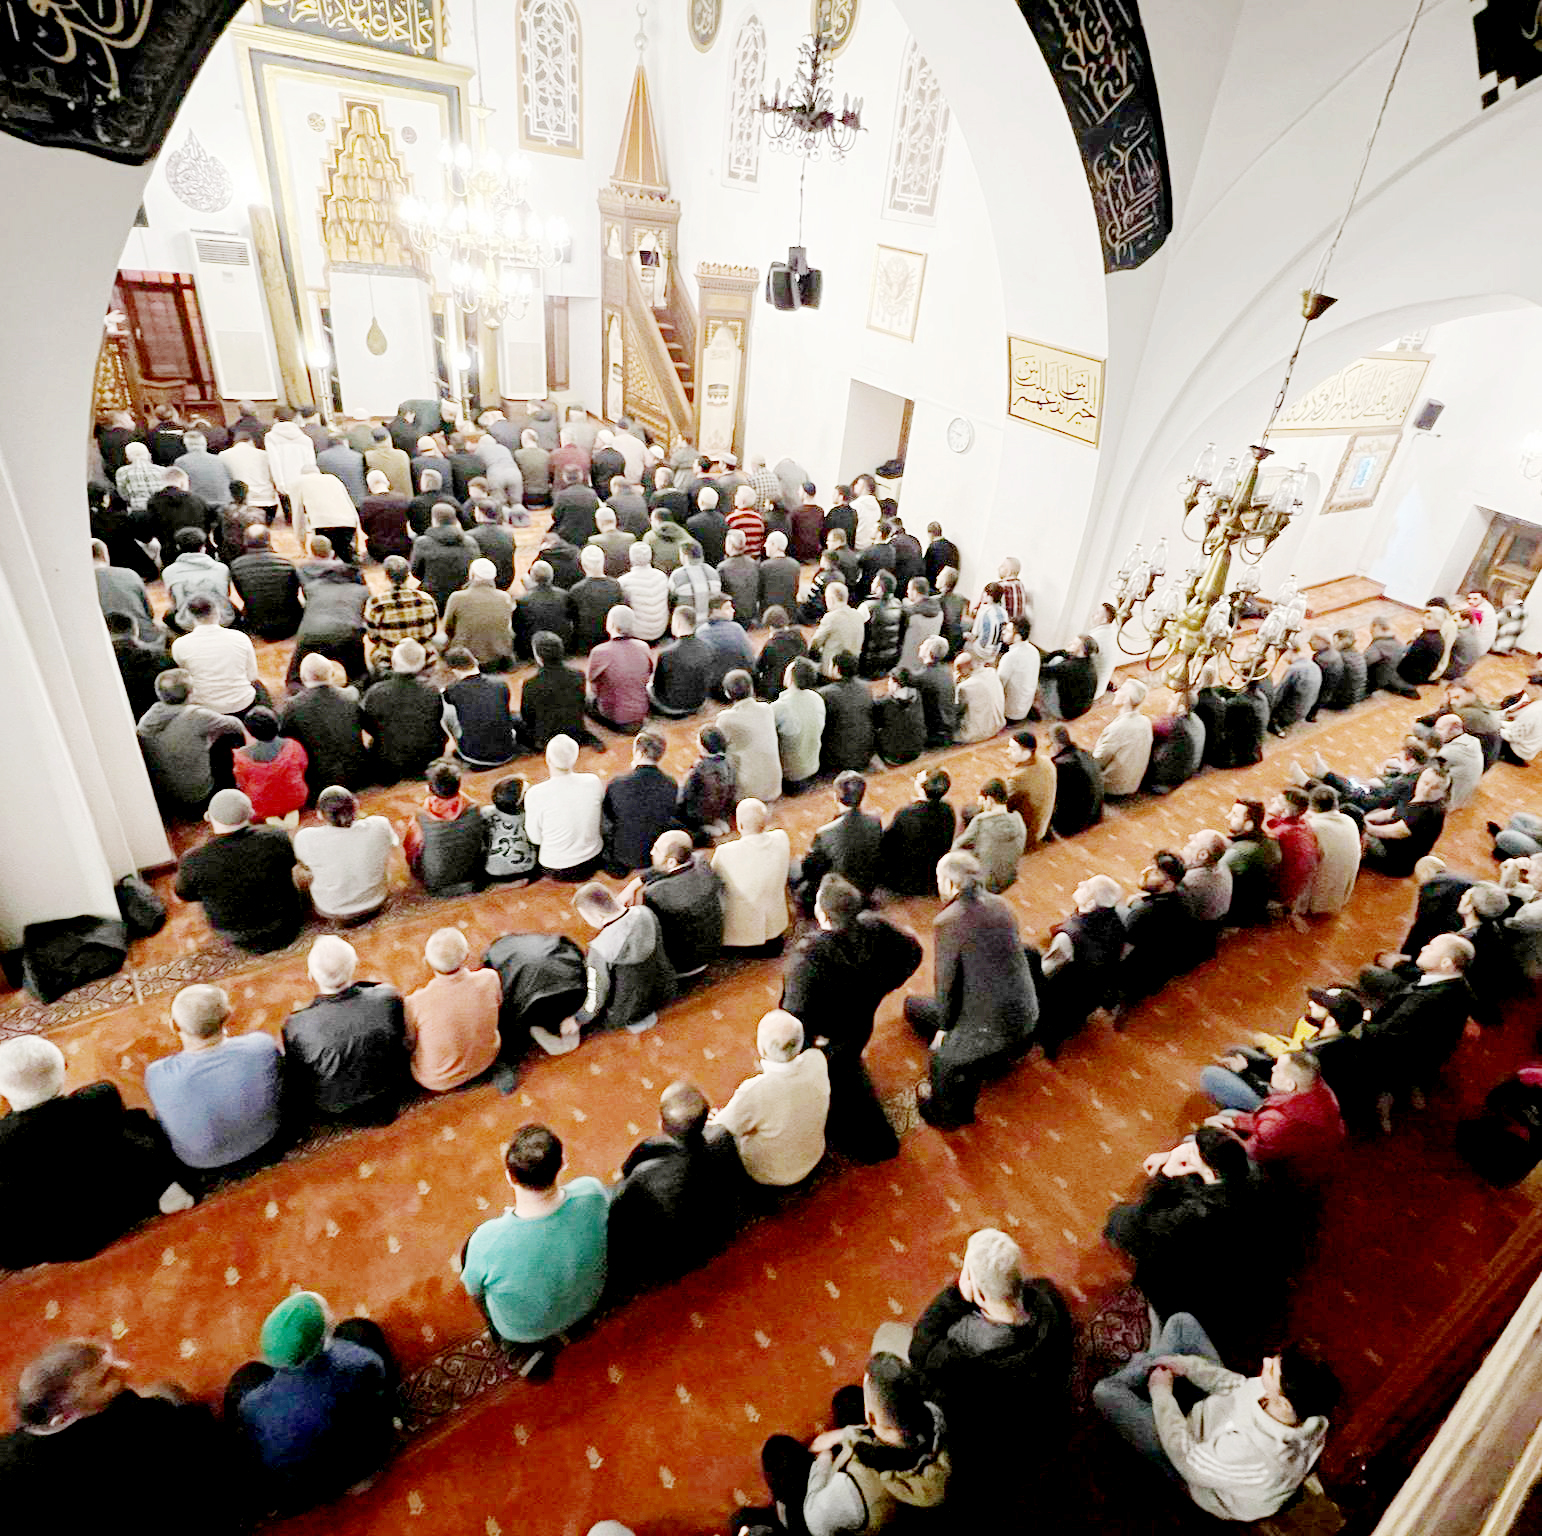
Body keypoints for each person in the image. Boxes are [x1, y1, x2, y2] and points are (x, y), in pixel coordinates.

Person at [1092, 1316, 1338, 1522]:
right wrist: (1186, 1366)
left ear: (1283, 1403)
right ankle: (1148, 1365)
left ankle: (1142, 1370)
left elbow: (1186, 1458)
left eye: (1272, 1368)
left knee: (1104, 1392)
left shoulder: (1256, 1454)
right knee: (1181, 1323)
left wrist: (1161, 1392)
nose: (1266, 1361)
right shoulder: (1303, 1411)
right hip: (1213, 1421)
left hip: (1195, 1469)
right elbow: (1238, 1386)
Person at [0, 1339, 241, 1531]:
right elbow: (199, 1430)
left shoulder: (9, 1454)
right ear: (67, 1412)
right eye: (106, 1378)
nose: (124, 1371)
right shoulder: (139, 1419)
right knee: (170, 1392)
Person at [907, 1230, 1072, 1508]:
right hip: (1041, 1411)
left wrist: (955, 1296)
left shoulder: (962, 1355)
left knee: (889, 1338)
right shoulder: (1049, 1299)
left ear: (979, 1293)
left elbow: (918, 1350)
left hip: (992, 1436)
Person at [0, 1036, 188, 1267]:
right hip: (120, 1205)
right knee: (138, 1123)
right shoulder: (100, 1097)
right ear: (65, 1069)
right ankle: (165, 1189)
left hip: (62, 1238)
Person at [781, 873, 921, 1163]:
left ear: (822, 913)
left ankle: (872, 1143)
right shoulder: (876, 927)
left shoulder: (807, 960)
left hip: (826, 1037)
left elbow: (794, 1017)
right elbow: (914, 952)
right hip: (860, 1019)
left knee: (845, 1087)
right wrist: (883, 986)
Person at [224, 1291, 398, 1515]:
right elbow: (377, 1379)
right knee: (360, 1330)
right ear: (322, 1343)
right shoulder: (358, 1363)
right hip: (365, 1460)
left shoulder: (252, 1406)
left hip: (308, 1488)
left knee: (245, 1377)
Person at [747, 1353, 949, 1536]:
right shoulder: (941, 1415)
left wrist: (823, 1460)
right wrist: (847, 1434)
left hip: (855, 1499)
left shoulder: (850, 1490)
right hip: (917, 1502)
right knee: (846, 1400)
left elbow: (816, 1521)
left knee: (778, 1450)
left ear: (870, 1417)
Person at [460, 1124, 608, 1372]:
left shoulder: (486, 1241)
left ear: (509, 1176)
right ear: (563, 1163)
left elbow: (474, 1290)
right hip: (589, 1301)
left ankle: (514, 1349)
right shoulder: (591, 1191)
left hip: (523, 1329)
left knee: (470, 1260)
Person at [906, 851, 1037, 1128]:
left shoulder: (949, 920)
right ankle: (995, 1061)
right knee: (914, 1008)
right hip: (1023, 1010)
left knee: (942, 1062)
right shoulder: (1001, 904)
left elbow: (947, 984)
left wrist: (944, 1029)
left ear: (950, 884)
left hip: (989, 1025)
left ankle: (948, 1115)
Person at [607, 1081, 744, 1296]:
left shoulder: (644, 1174)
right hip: (719, 1236)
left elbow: (620, 1209)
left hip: (669, 1262)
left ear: (662, 1123)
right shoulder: (724, 1138)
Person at [145, 982, 285, 1179]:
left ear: (174, 1025)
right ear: (227, 1014)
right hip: (269, 1138)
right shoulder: (260, 1045)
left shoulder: (158, 1074)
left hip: (199, 1163)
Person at [532, 884, 677, 1054]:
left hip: (627, 1011)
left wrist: (578, 1019)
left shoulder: (600, 949)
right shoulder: (645, 912)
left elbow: (596, 997)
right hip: (666, 988)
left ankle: (565, 1043)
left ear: (598, 915)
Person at [282, 936, 407, 1125]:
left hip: (334, 1106)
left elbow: (297, 1072)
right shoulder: (387, 997)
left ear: (311, 976)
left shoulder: (297, 1025)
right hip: (392, 1090)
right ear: (355, 965)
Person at [174, 788, 303, 950]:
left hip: (237, 935)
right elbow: (290, 863)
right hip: (287, 923)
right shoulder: (276, 836)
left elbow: (185, 894)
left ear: (208, 818)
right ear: (251, 813)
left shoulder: (192, 860)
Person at [712, 1011, 830, 1188]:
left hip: (772, 1175)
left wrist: (716, 1119)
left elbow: (722, 1130)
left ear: (762, 1048)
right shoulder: (817, 1059)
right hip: (815, 1154)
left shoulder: (754, 1089)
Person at [1199, 1049, 1346, 1174]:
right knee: (1229, 1116)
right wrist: (1235, 1122)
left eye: (1278, 1068)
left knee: (1220, 1118)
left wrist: (1223, 1134)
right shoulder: (1317, 1087)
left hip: (1288, 1171)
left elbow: (1252, 1153)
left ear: (1290, 1085)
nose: (1273, 1069)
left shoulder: (1279, 1122)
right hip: (1312, 1153)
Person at [1034, 874, 1126, 1056]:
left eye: (1087, 887)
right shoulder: (1116, 922)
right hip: (1093, 995)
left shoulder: (1068, 937)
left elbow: (1047, 971)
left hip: (1065, 997)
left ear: (1091, 904)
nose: (1080, 883)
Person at [404, 926, 503, 1092]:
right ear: (467, 956)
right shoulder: (489, 978)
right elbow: (498, 1005)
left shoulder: (414, 1003)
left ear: (426, 962)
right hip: (487, 1059)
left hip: (438, 1080)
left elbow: (410, 1042)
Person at [136, 668, 245, 816]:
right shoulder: (196, 716)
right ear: (191, 693)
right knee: (229, 737)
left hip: (165, 800)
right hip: (198, 799)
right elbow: (236, 725)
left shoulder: (145, 721)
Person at [293, 786, 398, 921]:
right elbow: (393, 845)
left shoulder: (305, 838)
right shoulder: (380, 825)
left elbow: (304, 867)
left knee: (297, 872)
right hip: (376, 901)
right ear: (356, 806)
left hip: (330, 910)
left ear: (319, 814)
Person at [629, 831, 724, 978]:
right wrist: (636, 883)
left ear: (672, 862)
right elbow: (665, 868)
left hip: (680, 965)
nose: (652, 851)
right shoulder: (702, 862)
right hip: (712, 950)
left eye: (657, 850)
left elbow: (651, 930)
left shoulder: (655, 893)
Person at [281, 652, 369, 796]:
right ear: (331, 674)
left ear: (303, 678)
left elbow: (285, 744)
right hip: (360, 777)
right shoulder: (351, 695)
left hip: (318, 784)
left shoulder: (292, 707)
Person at [711, 799, 792, 952]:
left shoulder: (725, 852)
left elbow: (713, 882)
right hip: (775, 931)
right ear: (766, 821)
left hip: (741, 938)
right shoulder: (781, 837)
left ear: (739, 825)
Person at [360, 638, 444, 783]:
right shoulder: (433, 691)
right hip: (427, 759)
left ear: (393, 662)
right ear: (422, 664)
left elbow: (367, 725)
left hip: (388, 762)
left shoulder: (376, 692)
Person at [793, 771, 882, 906]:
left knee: (794, 870)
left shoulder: (826, 832)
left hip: (839, 894)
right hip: (867, 887)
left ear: (836, 796)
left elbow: (810, 868)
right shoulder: (875, 821)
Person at [400, 759, 485, 896]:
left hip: (435, 881)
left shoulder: (422, 816)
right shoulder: (474, 808)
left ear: (429, 789)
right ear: (458, 785)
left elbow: (411, 849)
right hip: (472, 873)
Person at [525, 734, 604, 879]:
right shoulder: (592, 781)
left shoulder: (535, 794)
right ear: (576, 757)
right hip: (593, 859)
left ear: (548, 759)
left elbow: (535, 839)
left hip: (556, 868)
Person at [601, 731, 678, 874]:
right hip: (655, 855)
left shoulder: (618, 783)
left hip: (622, 854)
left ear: (639, 753)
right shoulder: (671, 784)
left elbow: (608, 816)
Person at [1363, 762, 1450, 876]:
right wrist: (1366, 818)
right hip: (1390, 843)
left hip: (1395, 861)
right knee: (1375, 813)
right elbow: (1394, 811)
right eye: (1426, 783)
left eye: (1435, 788)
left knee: (1356, 839)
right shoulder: (1418, 796)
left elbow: (1395, 832)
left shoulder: (1429, 812)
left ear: (1442, 793)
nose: (1427, 789)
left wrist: (1364, 826)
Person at [878, 769, 956, 895]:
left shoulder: (906, 814)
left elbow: (887, 843)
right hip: (932, 875)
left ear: (922, 787)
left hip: (907, 879)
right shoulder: (948, 811)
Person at [441, 646, 518, 769]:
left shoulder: (452, 690)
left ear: (454, 671)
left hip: (476, 758)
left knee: (445, 709)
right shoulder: (500, 683)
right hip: (509, 752)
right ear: (475, 661)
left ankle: (461, 746)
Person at [232, 706, 308, 827]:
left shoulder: (241, 757)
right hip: (297, 798)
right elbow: (303, 767)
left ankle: (271, 816)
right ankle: (290, 810)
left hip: (260, 806)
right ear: (277, 724)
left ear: (250, 732)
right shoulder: (293, 746)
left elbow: (242, 784)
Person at [719, 668, 783, 803]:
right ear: (752, 688)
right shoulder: (767, 709)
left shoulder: (726, 719)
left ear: (727, 693)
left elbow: (717, 747)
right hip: (774, 787)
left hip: (747, 795)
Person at [952, 778, 1027, 893]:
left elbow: (957, 846)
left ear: (990, 800)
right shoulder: (1019, 820)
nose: (980, 804)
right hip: (1008, 878)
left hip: (984, 883)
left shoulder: (981, 821)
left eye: (982, 801)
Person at [443, 557, 514, 670]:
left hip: (465, 659)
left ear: (472, 575)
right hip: (496, 659)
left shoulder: (457, 597)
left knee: (439, 640)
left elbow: (447, 628)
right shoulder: (504, 597)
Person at [1220, 797, 1282, 925]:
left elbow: (1217, 876)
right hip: (1258, 903)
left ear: (1249, 824)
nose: (1227, 817)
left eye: (1235, 815)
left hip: (1239, 912)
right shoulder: (1270, 841)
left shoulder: (1240, 853)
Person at [411, 503, 478, 613]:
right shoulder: (470, 542)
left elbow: (415, 571)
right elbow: (474, 570)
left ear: (434, 520)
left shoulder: (422, 543)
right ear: (455, 520)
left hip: (433, 600)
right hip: (463, 599)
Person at [772, 654, 826, 791]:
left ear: (791, 678)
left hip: (791, 776)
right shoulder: (817, 698)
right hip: (814, 767)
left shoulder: (779, 707)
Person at [650, 603, 713, 718]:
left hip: (672, 707)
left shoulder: (666, 654)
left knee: (648, 688)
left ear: (677, 623)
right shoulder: (707, 646)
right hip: (699, 702)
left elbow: (657, 685)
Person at [819, 650, 876, 773]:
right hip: (865, 754)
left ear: (836, 669)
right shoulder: (866, 687)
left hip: (838, 760)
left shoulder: (826, 694)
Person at [1094, 678, 1154, 795]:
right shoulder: (1146, 721)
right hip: (1133, 784)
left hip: (1112, 787)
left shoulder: (1118, 728)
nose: (1116, 692)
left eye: (1121, 690)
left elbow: (1098, 760)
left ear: (1126, 699)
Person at [1002, 730, 1056, 847]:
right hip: (1046, 822)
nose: (1007, 751)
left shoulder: (1018, 778)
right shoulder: (1047, 762)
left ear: (1026, 753)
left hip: (1032, 832)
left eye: (1013, 749)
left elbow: (1003, 804)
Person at [1049, 723, 1104, 837]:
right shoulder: (1087, 754)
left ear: (1055, 745)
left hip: (1073, 825)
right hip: (1096, 815)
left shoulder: (1060, 766)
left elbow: (1054, 796)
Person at [699, 593, 757, 698]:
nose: (733, 610)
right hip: (739, 687)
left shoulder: (700, 632)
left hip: (713, 690)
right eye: (727, 608)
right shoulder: (736, 628)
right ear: (715, 611)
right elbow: (750, 658)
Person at [570, 545, 623, 655]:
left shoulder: (576, 590)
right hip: (610, 640)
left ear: (583, 565)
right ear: (603, 562)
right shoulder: (616, 586)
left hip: (586, 645)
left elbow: (573, 619)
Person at [1036, 634, 1099, 720]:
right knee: (1058, 659)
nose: (1069, 643)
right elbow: (1063, 653)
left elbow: (1040, 672)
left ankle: (1041, 707)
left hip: (1065, 712)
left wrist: (1042, 660)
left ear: (1081, 649)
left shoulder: (1068, 667)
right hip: (1080, 709)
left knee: (1044, 676)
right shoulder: (1088, 661)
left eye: (1074, 644)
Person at [809, 583, 865, 679]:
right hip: (853, 668)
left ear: (831, 599)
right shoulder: (858, 615)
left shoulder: (831, 618)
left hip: (832, 671)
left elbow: (815, 643)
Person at [912, 635, 958, 748]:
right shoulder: (947, 672)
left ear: (928, 651)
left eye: (924, 645)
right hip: (948, 728)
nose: (920, 646)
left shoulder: (922, 676)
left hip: (933, 735)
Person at [618, 541, 670, 642]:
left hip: (637, 633)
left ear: (631, 558)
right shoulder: (662, 576)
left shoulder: (623, 581)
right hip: (660, 629)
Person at [873, 668, 926, 765]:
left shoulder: (884, 703)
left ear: (896, 684)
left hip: (894, 756)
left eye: (889, 680)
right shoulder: (917, 695)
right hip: (916, 751)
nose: (888, 683)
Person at [1364, 615, 1417, 698]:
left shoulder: (1378, 646)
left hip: (1375, 683)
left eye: (1371, 631)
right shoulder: (1398, 643)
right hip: (1392, 676)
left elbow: (1363, 663)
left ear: (1376, 628)